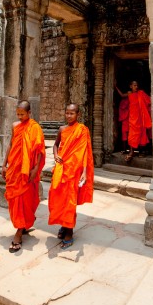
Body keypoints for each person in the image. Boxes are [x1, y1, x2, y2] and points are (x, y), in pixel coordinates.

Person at [48, 103, 94, 249]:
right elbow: (56, 144)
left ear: (78, 115)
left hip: (74, 172)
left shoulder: (82, 130)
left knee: (70, 201)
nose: (68, 116)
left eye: (72, 113)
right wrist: (56, 155)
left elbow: (85, 152)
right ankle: (64, 225)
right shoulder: (62, 129)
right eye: (67, 113)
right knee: (58, 198)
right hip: (61, 169)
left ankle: (69, 232)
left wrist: (85, 172)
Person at [2, 100, 45, 253]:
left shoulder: (35, 128)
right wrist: (4, 163)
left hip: (27, 170)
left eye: (22, 114)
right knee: (14, 198)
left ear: (29, 113)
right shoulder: (15, 126)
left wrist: (35, 169)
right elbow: (11, 145)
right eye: (18, 114)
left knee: (24, 199)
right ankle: (23, 223)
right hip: (15, 168)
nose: (20, 117)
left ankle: (19, 232)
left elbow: (39, 150)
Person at [115, 80, 152, 162]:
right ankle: (131, 152)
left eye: (137, 85)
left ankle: (141, 151)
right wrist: (115, 87)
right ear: (130, 86)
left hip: (140, 118)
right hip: (132, 118)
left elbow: (149, 100)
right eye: (134, 85)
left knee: (142, 134)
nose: (136, 87)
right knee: (132, 136)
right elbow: (121, 95)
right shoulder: (129, 93)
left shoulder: (141, 93)